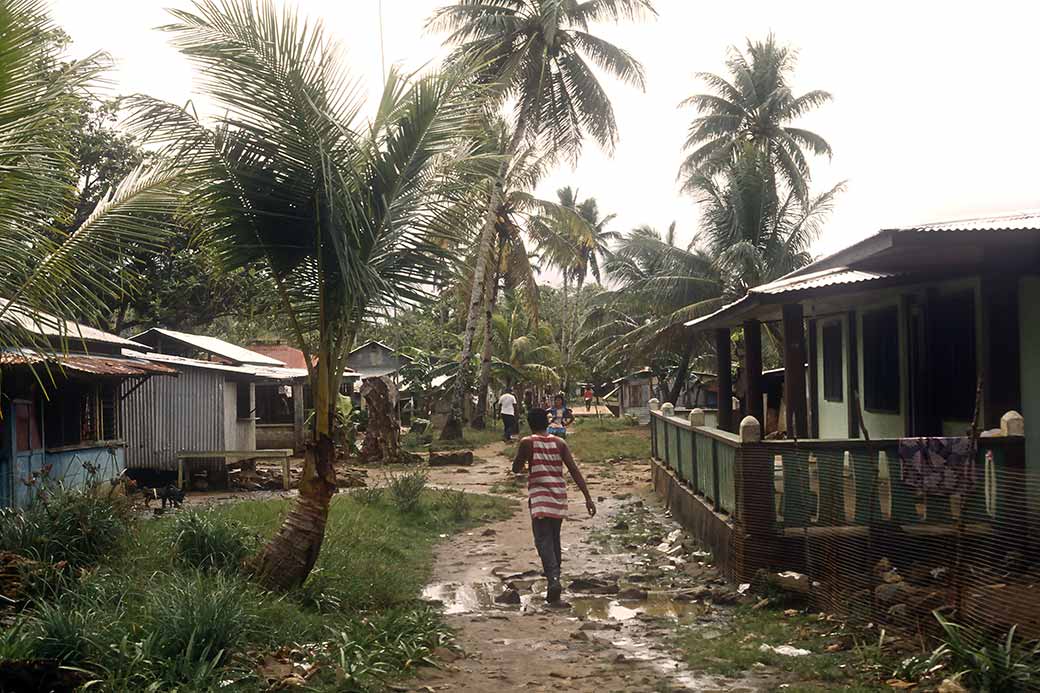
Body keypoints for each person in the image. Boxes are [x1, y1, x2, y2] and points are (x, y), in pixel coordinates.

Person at [512, 408, 596, 603]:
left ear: (531, 424)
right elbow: (574, 470)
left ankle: (553, 579)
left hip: (540, 498)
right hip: (558, 496)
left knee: (542, 540)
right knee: (554, 538)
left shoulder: (527, 442)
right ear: (547, 423)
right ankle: (555, 576)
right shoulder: (560, 443)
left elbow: (516, 467)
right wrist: (588, 497)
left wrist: (523, 464)